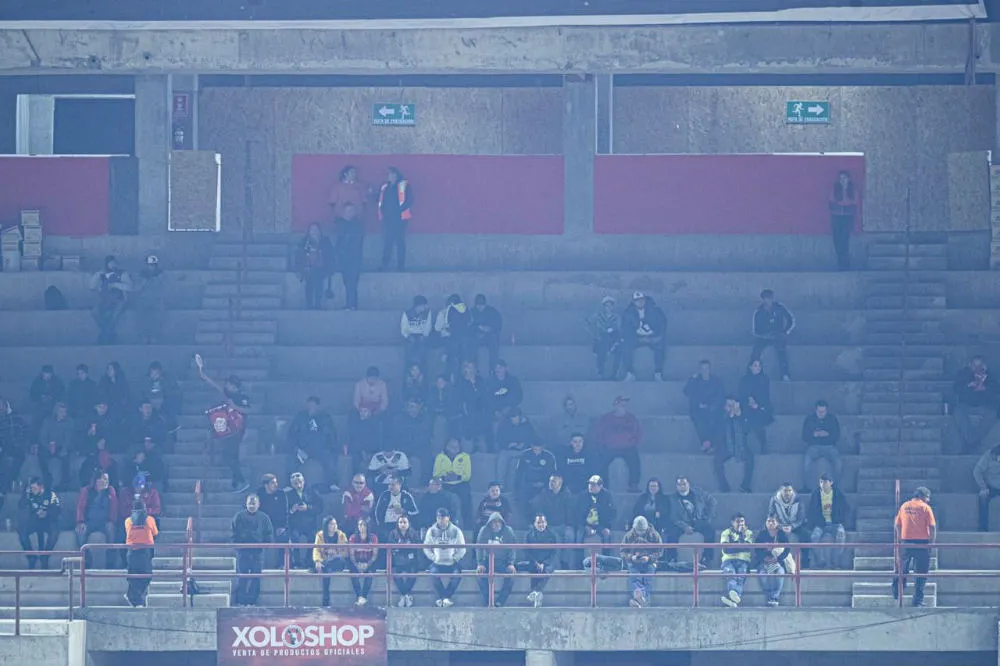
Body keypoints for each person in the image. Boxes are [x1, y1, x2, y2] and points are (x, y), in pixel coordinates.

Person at [196, 355, 251, 492]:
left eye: (229, 384)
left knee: (231, 455)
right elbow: (215, 384)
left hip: (238, 430)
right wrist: (202, 372)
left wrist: (234, 406)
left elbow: (248, 410)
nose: (226, 386)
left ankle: (240, 481)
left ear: (235, 386)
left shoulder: (242, 397)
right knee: (228, 455)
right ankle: (236, 481)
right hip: (227, 429)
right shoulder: (226, 392)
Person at [892, 487, 936, 607]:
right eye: (927, 498)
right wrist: (931, 543)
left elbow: (897, 525)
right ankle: (917, 601)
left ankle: (896, 592)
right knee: (921, 573)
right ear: (923, 496)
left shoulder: (904, 506)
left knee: (902, 569)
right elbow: (932, 527)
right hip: (922, 543)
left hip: (906, 541)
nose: (928, 500)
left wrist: (901, 538)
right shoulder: (926, 508)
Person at [287, 396, 340, 492]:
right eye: (309, 405)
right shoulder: (300, 417)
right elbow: (292, 434)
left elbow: (331, 435)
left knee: (329, 459)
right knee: (291, 459)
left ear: (318, 406)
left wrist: (330, 447)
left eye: (313, 406)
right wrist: (297, 449)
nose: (311, 408)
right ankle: (290, 484)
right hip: (303, 449)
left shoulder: (325, 418)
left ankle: (332, 483)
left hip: (320, 449)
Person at [231, 493, 274, 607]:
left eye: (254, 503)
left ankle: (253, 601)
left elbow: (269, 534)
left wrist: (265, 545)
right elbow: (233, 533)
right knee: (242, 577)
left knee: (256, 577)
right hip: (243, 552)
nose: (251, 505)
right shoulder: (239, 516)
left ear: (258, 504)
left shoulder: (264, 518)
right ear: (246, 503)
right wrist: (237, 546)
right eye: (249, 502)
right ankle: (241, 601)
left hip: (257, 552)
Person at [665, 476, 717, 568]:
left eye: (684, 484)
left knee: (710, 531)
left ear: (688, 484)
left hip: (698, 520)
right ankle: (672, 558)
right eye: (679, 485)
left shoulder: (698, 493)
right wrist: (684, 527)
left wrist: (706, 517)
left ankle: (706, 558)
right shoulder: (672, 499)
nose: (682, 487)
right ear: (676, 487)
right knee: (671, 533)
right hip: (682, 523)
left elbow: (712, 501)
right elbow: (673, 517)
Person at [594, 396, 643, 492]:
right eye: (621, 404)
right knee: (600, 462)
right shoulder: (606, 418)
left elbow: (639, 433)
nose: (623, 407)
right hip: (610, 447)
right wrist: (603, 444)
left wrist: (633, 443)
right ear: (615, 406)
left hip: (627, 447)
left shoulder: (631, 418)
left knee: (634, 460)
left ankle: (633, 485)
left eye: (624, 405)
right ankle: (603, 486)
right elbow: (598, 433)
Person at [952, 356, 1000, 453]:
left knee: (992, 415)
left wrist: (985, 389)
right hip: (965, 406)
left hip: (984, 407)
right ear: (970, 365)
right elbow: (956, 389)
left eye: (980, 365)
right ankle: (972, 441)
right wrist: (968, 386)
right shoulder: (963, 375)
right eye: (975, 365)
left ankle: (971, 442)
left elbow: (996, 390)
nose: (977, 368)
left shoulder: (990, 376)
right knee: (958, 413)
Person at [423, 508, 466, 607]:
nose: (441, 520)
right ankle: (445, 598)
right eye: (439, 518)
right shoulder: (431, 530)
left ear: (448, 518)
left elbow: (462, 548)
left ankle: (444, 598)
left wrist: (455, 558)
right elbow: (426, 547)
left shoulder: (456, 530)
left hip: (452, 563)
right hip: (437, 563)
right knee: (432, 573)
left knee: (457, 575)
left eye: (443, 518)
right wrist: (433, 557)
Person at [349, 367, 389, 473]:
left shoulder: (382, 385)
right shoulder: (359, 385)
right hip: (362, 410)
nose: (372, 381)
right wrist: (362, 411)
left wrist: (378, 411)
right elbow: (356, 401)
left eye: (374, 379)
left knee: (379, 422)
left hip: (376, 411)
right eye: (370, 378)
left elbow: (384, 401)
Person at [620, 291, 667, 382]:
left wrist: (658, 336)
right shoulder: (628, 313)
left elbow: (663, 324)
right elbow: (625, 330)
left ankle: (658, 373)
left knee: (661, 346)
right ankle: (630, 373)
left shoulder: (655, 310)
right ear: (633, 302)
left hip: (653, 336)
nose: (640, 302)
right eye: (637, 300)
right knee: (625, 346)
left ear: (645, 299)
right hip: (637, 338)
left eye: (641, 299)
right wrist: (638, 339)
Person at [807, 473, 850, 569]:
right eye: (821, 482)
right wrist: (817, 522)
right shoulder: (816, 494)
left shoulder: (838, 493)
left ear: (831, 483)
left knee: (841, 535)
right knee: (814, 537)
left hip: (835, 523)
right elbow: (811, 511)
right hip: (821, 524)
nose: (823, 484)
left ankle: (835, 562)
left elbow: (846, 509)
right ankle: (821, 561)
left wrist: (840, 520)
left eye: (825, 482)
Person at [750, 289, 795, 382]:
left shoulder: (779, 308)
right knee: (756, 351)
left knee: (781, 352)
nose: (769, 301)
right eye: (767, 299)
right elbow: (755, 330)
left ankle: (785, 374)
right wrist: (764, 335)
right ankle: (751, 372)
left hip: (778, 336)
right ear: (763, 300)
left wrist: (785, 332)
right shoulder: (758, 311)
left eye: (770, 298)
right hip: (764, 337)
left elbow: (791, 320)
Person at [76, 471, 117, 569]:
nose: (106, 481)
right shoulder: (86, 490)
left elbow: (114, 508)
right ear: (97, 480)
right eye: (104, 479)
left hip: (104, 522)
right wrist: (80, 521)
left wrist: (112, 521)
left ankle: (110, 563)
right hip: (89, 522)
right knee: (80, 532)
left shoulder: (111, 490)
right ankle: (86, 562)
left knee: (111, 530)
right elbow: (80, 507)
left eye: (107, 479)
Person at [17, 477, 61, 569]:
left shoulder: (51, 494)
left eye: (35, 488)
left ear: (41, 487)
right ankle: (31, 557)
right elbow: (21, 505)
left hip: (49, 521)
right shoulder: (30, 494)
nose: (33, 490)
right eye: (31, 488)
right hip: (35, 520)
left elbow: (58, 510)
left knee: (54, 534)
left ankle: (45, 557)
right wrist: (25, 494)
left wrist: (47, 513)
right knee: (22, 532)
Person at [531, 474, 574, 566]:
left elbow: (570, 512)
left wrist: (568, 525)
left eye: (554, 481)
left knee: (570, 535)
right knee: (556, 539)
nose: (551, 483)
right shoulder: (543, 495)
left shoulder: (567, 495)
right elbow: (538, 511)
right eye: (550, 481)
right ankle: (556, 566)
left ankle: (565, 562)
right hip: (549, 526)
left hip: (564, 525)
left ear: (560, 484)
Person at [475, 511, 517, 607]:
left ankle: (500, 601)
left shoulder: (508, 531)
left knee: (512, 575)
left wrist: (511, 563)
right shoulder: (484, 530)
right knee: (479, 574)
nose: (496, 524)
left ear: (502, 522)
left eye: (498, 522)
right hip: (487, 561)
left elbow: (513, 548)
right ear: (490, 523)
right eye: (494, 522)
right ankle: (488, 600)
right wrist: (480, 563)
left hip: (503, 562)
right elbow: (479, 547)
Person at [89, 255, 133, 344]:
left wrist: (115, 285)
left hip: (119, 300)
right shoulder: (101, 273)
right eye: (110, 263)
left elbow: (130, 287)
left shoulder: (122, 274)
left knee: (114, 315)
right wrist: (98, 280)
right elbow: (91, 286)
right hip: (105, 300)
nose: (112, 265)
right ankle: (110, 334)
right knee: (95, 312)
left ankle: (104, 336)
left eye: (114, 263)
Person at [684, 360, 725, 453]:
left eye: (707, 368)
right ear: (699, 370)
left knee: (713, 419)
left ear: (710, 369)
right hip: (698, 408)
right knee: (699, 420)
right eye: (702, 369)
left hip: (712, 408)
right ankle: (706, 442)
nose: (705, 371)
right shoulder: (696, 381)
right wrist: (692, 379)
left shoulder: (716, 381)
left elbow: (720, 396)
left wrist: (710, 405)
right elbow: (686, 392)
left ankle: (709, 443)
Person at [715, 396, 754, 494]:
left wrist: (739, 416)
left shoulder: (743, 416)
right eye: (729, 405)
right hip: (725, 447)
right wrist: (729, 417)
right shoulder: (720, 418)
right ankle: (724, 486)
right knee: (717, 461)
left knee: (750, 459)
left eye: (733, 405)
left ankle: (746, 485)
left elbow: (747, 431)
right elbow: (719, 433)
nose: (731, 408)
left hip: (742, 447)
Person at [621, 515, 662, 608]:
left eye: (642, 531)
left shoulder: (654, 535)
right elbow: (623, 551)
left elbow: (660, 551)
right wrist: (631, 557)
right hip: (633, 562)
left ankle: (638, 599)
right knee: (634, 576)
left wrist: (649, 558)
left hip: (650, 562)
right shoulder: (628, 536)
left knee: (648, 577)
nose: (640, 533)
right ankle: (643, 600)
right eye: (638, 531)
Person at [123, 498, 158, 607]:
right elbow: (155, 533)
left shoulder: (128, 521)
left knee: (133, 576)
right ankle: (139, 599)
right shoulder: (150, 520)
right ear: (145, 509)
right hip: (145, 551)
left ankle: (134, 598)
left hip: (131, 552)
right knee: (146, 576)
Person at [801, 400, 842, 490]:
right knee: (806, 462)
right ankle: (806, 486)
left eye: (823, 411)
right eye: (819, 411)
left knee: (838, 462)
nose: (821, 413)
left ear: (826, 411)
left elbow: (837, 436)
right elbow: (804, 436)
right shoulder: (809, 419)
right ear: (815, 410)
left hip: (830, 446)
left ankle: (835, 487)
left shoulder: (832, 419)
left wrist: (827, 435)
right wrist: (813, 435)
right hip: (814, 446)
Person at [378, 166, 413, 271]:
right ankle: (384, 265)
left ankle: (401, 266)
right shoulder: (385, 187)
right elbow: (380, 199)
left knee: (400, 242)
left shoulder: (404, 185)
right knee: (388, 242)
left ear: (397, 175)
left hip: (400, 219)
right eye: (389, 175)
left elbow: (410, 200)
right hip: (388, 219)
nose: (391, 177)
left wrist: (399, 210)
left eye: (393, 174)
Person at [519, 513, 557, 608]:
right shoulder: (528, 535)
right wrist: (536, 562)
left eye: (543, 522)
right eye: (538, 522)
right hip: (533, 561)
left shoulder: (552, 535)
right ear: (534, 524)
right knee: (532, 568)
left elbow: (554, 552)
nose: (541, 525)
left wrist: (544, 563)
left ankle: (535, 592)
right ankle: (536, 594)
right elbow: (526, 551)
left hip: (547, 562)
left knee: (547, 570)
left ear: (546, 523)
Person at [389, 397, 433, 479]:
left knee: (422, 461)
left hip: (420, 450)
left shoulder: (425, 419)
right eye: (409, 406)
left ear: (420, 407)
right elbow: (394, 437)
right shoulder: (398, 419)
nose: (411, 409)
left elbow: (425, 438)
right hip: (402, 449)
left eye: (414, 406)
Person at [432, 438, 473, 526]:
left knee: (465, 495)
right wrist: (444, 477)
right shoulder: (440, 457)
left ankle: (466, 525)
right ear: (446, 447)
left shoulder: (465, 457)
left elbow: (468, 475)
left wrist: (457, 476)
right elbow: (435, 474)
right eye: (451, 446)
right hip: (444, 484)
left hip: (460, 483)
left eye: (456, 446)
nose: (454, 448)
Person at [753, 515, 791, 607]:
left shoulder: (781, 534)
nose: (770, 523)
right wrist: (764, 558)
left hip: (777, 561)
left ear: (777, 523)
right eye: (768, 521)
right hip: (764, 562)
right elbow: (757, 550)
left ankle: (775, 597)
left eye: (773, 521)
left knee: (780, 572)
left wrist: (778, 559)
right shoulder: (761, 534)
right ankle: (769, 595)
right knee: (763, 574)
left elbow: (787, 549)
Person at [514, 440, 558, 521]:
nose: (537, 452)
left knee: (542, 501)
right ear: (531, 446)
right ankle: (528, 522)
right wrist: (517, 489)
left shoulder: (549, 456)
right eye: (535, 449)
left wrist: (547, 486)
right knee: (523, 499)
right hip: (528, 485)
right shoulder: (525, 455)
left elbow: (553, 474)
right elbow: (519, 473)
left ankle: (546, 521)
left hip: (544, 486)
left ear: (543, 447)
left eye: (539, 450)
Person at [296, 222, 336, 310]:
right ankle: (309, 304)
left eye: (316, 230)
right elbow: (299, 255)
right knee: (309, 284)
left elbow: (330, 255)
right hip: (308, 267)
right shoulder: (305, 242)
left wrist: (331, 268)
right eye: (312, 230)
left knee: (319, 284)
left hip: (321, 267)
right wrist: (299, 268)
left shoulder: (325, 241)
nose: (314, 232)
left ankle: (318, 304)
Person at [287, 472, 322, 568]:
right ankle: (296, 563)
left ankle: (309, 562)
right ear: (291, 484)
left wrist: (308, 508)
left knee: (313, 538)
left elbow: (320, 508)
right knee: (294, 539)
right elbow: (284, 512)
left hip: (309, 524)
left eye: (300, 482)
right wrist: (292, 510)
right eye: (295, 483)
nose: (298, 485)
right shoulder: (288, 495)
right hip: (295, 525)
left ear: (304, 481)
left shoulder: (312, 492)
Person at [768, 483, 809, 566]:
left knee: (806, 535)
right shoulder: (774, 500)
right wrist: (780, 526)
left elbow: (801, 518)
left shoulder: (798, 500)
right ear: (780, 491)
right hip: (779, 525)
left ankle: (805, 559)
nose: (787, 493)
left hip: (795, 525)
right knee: (768, 533)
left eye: (789, 491)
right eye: (785, 491)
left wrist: (792, 527)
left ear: (792, 491)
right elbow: (771, 515)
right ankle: (771, 559)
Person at [495, 408, 536, 492]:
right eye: (513, 419)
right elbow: (499, 439)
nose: (515, 421)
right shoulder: (505, 425)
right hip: (508, 450)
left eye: (516, 418)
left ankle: (511, 489)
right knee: (502, 459)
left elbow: (532, 439)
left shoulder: (527, 426)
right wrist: (508, 444)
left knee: (514, 464)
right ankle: (500, 485)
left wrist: (523, 444)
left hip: (522, 451)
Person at [738, 360, 774, 452]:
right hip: (747, 407)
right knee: (746, 418)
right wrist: (748, 401)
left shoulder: (764, 380)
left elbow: (766, 396)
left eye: (759, 366)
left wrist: (757, 405)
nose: (757, 368)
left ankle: (763, 444)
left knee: (757, 419)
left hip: (761, 407)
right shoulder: (745, 380)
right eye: (755, 365)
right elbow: (741, 395)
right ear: (750, 367)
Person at [574, 475, 616, 553]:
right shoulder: (582, 496)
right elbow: (577, 514)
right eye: (589, 484)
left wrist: (605, 527)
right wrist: (585, 526)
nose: (590, 486)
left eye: (593, 484)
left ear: (600, 486)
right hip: (585, 524)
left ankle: (606, 562)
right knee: (579, 536)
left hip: (601, 524)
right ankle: (578, 562)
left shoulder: (607, 496)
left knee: (607, 535)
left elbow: (612, 513)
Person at [38, 402, 75, 490]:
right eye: (61, 412)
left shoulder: (69, 422)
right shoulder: (47, 421)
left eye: (65, 412)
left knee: (66, 457)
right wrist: (48, 446)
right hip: (48, 445)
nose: (63, 414)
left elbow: (68, 438)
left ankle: (65, 482)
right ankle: (47, 478)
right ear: (56, 411)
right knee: (41, 455)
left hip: (62, 446)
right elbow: (42, 436)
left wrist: (64, 449)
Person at [313, 515, 349, 607]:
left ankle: (323, 566)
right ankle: (326, 598)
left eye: (335, 524)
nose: (334, 526)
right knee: (327, 570)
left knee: (337, 560)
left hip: (338, 562)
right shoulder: (320, 535)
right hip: (325, 562)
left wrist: (335, 552)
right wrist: (317, 561)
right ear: (326, 526)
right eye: (331, 524)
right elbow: (316, 550)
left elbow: (346, 552)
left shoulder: (341, 535)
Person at [334, 202, 364, 310]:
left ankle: (352, 304)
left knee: (352, 283)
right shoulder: (341, 225)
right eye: (347, 211)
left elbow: (355, 244)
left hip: (353, 259)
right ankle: (349, 303)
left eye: (351, 211)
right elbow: (339, 241)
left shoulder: (357, 226)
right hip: (344, 259)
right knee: (347, 282)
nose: (348, 213)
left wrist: (343, 252)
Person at [435, 294, 472, 381]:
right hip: (450, 338)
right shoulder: (444, 312)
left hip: (455, 338)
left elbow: (437, 328)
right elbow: (437, 328)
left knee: (456, 354)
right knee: (455, 353)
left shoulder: (451, 312)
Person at [720, 513, 754, 608]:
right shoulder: (726, 532)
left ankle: (731, 598)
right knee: (731, 575)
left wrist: (740, 536)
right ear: (732, 522)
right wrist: (740, 546)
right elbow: (726, 549)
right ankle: (735, 596)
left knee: (740, 577)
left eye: (742, 521)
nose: (740, 524)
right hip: (728, 560)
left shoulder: (748, 533)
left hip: (743, 561)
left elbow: (747, 547)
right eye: (737, 521)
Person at [388, 514, 422, 607]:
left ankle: (404, 595)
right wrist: (405, 546)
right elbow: (392, 547)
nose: (402, 524)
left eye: (404, 522)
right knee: (394, 573)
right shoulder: (393, 533)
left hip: (411, 561)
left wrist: (402, 547)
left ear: (408, 523)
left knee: (413, 573)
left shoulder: (414, 533)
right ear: (397, 523)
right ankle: (405, 595)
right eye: (400, 522)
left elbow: (417, 546)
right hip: (397, 561)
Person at [257, 474, 290, 568]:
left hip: (278, 524)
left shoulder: (281, 493)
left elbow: (285, 511)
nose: (276, 485)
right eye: (273, 483)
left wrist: (283, 526)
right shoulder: (259, 493)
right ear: (266, 485)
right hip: (264, 524)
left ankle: (281, 564)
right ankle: (258, 565)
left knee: (283, 539)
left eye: (276, 482)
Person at [133, 254, 168, 344]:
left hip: (156, 300)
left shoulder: (161, 274)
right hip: (144, 299)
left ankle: (154, 336)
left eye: (153, 265)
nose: (151, 267)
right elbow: (137, 287)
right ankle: (144, 336)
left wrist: (156, 280)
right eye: (149, 265)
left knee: (156, 318)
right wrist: (145, 281)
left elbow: (163, 286)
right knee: (143, 318)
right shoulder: (141, 275)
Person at [0, 399, 32, 496]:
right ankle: (3, 487)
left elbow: (26, 430)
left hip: (16, 445)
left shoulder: (16, 418)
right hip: (2, 446)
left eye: (1, 406)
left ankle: (10, 481)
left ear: (6, 407)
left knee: (20, 456)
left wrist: (22, 442)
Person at [586, 296, 622, 380]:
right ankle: (600, 372)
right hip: (601, 337)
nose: (609, 307)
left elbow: (619, 329)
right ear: (604, 306)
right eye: (607, 305)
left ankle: (615, 373)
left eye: (611, 305)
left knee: (619, 351)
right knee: (600, 350)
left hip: (613, 337)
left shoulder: (617, 317)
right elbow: (588, 323)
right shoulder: (598, 315)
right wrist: (594, 333)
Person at [455, 361, 490, 449]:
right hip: (466, 411)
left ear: (475, 369)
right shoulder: (460, 382)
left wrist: (473, 383)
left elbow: (483, 396)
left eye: (471, 367)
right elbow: (464, 396)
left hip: (480, 410)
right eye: (467, 367)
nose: (469, 370)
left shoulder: (480, 380)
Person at [829, 170, 858, 270]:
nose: (842, 180)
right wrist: (844, 204)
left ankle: (845, 262)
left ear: (848, 179)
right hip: (836, 217)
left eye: (844, 178)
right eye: (841, 178)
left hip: (847, 217)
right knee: (837, 239)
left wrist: (842, 203)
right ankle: (840, 260)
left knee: (844, 239)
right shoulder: (836, 188)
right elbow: (832, 201)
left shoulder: (852, 189)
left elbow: (854, 202)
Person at [145, 361, 182, 442]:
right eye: (151, 373)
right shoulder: (147, 382)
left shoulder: (167, 381)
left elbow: (172, 393)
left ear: (159, 372)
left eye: (155, 373)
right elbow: (146, 394)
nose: (152, 375)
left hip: (165, 407)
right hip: (152, 407)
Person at [348, 518, 379, 606]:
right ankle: (359, 596)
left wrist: (367, 565)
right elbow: (351, 555)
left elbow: (375, 555)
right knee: (353, 572)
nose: (362, 527)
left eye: (364, 525)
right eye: (360, 525)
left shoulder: (373, 538)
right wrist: (357, 564)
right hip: (356, 561)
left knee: (370, 574)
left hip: (369, 562)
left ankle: (363, 596)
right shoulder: (353, 538)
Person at [471, 294, 503, 371]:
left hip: (489, 335)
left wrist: (490, 329)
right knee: (471, 344)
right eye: (478, 305)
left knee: (493, 342)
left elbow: (498, 324)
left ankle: (493, 368)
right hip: (476, 336)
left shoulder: (492, 311)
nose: (480, 307)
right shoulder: (472, 312)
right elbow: (468, 325)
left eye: (481, 305)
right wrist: (478, 328)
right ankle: (474, 368)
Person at [401, 295, 434, 370]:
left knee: (423, 355)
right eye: (423, 305)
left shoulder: (427, 313)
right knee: (409, 355)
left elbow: (428, 326)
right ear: (418, 306)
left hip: (422, 335)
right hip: (411, 335)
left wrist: (424, 336)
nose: (425, 307)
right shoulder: (407, 313)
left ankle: (422, 373)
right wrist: (408, 336)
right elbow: (404, 328)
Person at [29, 365, 65, 433]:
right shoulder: (37, 382)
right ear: (42, 373)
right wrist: (41, 397)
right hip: (40, 406)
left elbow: (62, 394)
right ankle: (35, 440)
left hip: (54, 406)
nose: (47, 376)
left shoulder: (57, 382)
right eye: (45, 374)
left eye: (49, 374)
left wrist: (53, 397)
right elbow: (32, 395)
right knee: (37, 421)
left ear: (51, 374)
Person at [976, 445, 1000, 532]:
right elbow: (977, 471)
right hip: (991, 486)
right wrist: (983, 486)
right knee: (983, 497)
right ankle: (983, 527)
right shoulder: (988, 456)